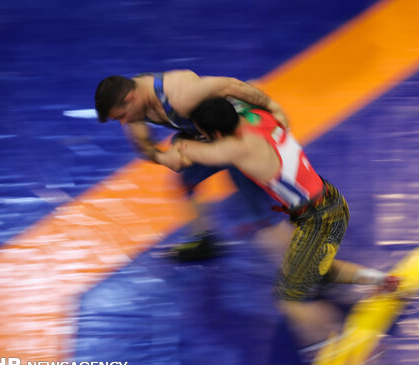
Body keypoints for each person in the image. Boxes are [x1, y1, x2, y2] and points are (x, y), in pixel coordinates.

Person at [156, 97, 399, 350]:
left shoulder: (236, 149)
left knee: (290, 301)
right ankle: (381, 280)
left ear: (215, 133)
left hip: (316, 221)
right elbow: (250, 95)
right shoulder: (259, 116)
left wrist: (170, 145)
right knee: (317, 269)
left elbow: (189, 154)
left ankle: (348, 351)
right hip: (332, 201)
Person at [94, 70, 289, 261]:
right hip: (211, 138)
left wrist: (272, 105)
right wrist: (165, 159)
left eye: (121, 116)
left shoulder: (181, 93)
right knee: (186, 181)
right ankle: (203, 240)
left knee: (260, 217)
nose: (124, 122)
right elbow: (143, 146)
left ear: (130, 98)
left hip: (242, 140)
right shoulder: (135, 104)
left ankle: (310, 267)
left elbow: (232, 85)